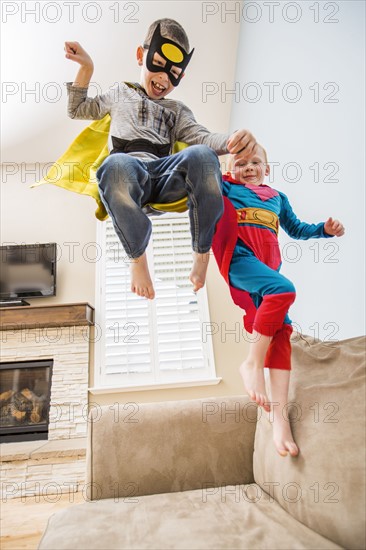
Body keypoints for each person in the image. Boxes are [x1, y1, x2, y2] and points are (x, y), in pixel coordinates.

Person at [64, 18, 256, 299]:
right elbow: (77, 109)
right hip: (129, 172)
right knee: (114, 166)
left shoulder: (177, 110)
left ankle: (201, 254)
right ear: (141, 56)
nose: (164, 79)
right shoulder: (121, 93)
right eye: (159, 65)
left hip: (165, 176)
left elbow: (203, 138)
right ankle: (138, 258)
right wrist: (86, 68)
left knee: (203, 156)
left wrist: (232, 141)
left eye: (174, 74)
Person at [212, 144, 345, 457]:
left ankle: (279, 417)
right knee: (283, 290)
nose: (248, 167)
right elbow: (205, 178)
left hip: (266, 269)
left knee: (282, 333)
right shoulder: (226, 188)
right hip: (238, 260)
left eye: (255, 162)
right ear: (231, 170)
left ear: (267, 169)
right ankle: (252, 363)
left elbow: (297, 229)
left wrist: (323, 230)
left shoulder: (277, 198)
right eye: (241, 163)